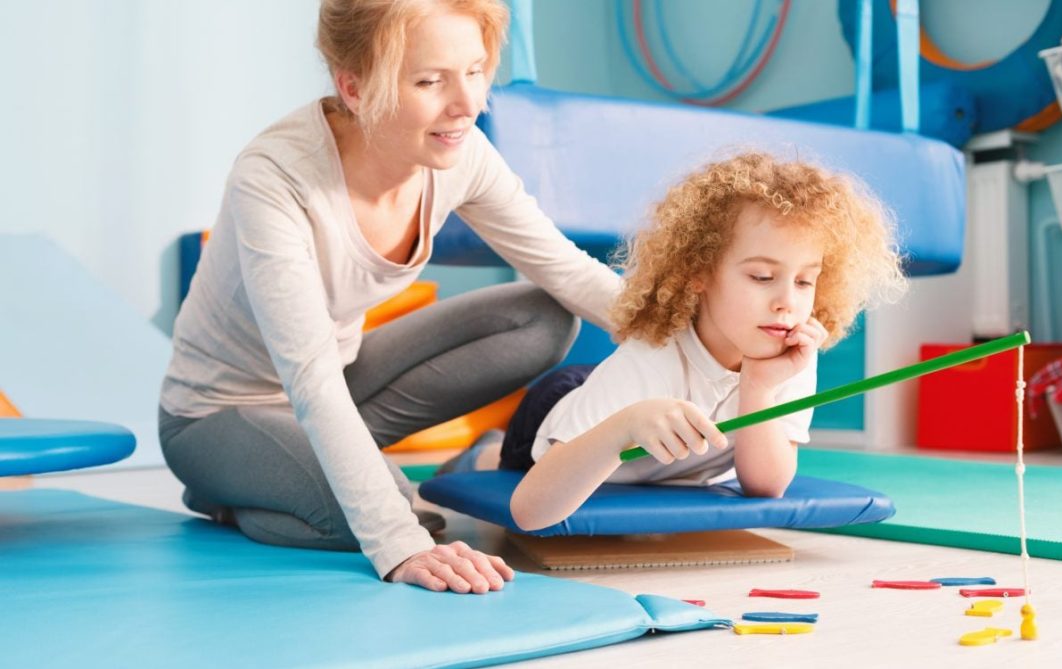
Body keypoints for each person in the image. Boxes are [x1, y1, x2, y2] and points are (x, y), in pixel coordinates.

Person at [157, 0, 620, 595]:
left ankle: (288, 478)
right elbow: (310, 379)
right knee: (409, 518)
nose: (467, 104)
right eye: (430, 81)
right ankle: (226, 490)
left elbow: (571, 274)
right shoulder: (274, 177)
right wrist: (400, 545)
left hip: (344, 384)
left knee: (541, 317)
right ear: (354, 87)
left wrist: (708, 336)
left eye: (475, 71)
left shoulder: (459, 152)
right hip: (214, 418)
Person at [445, 151, 907, 532]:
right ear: (699, 273)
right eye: (763, 276)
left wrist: (760, 388)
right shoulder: (650, 359)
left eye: (806, 281)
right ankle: (481, 451)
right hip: (573, 412)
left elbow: (766, 487)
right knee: (505, 464)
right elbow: (530, 510)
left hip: (654, 441)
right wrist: (625, 427)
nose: (788, 302)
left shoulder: (790, 354)